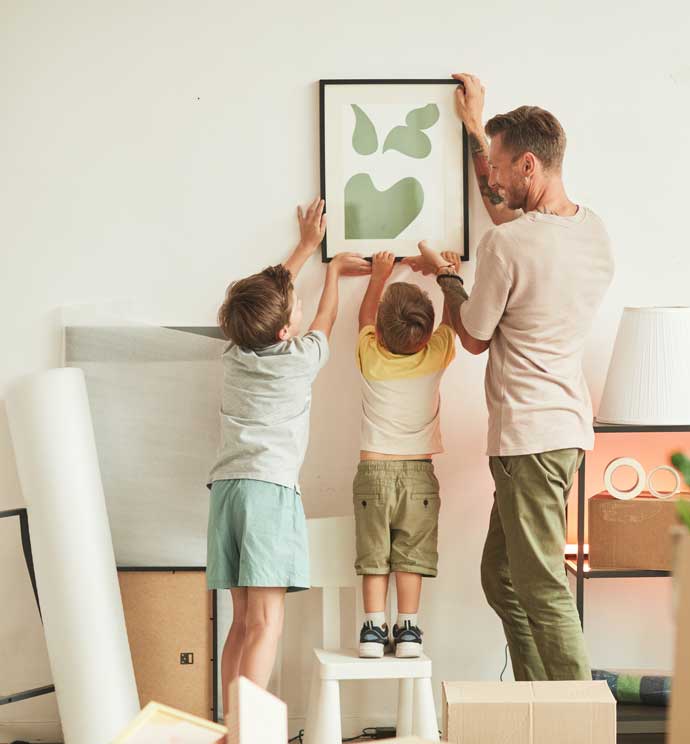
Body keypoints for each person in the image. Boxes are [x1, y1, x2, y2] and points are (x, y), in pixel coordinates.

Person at [407, 73, 615, 681]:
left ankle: (575, 720)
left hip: (528, 439)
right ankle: (535, 701)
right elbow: (507, 219)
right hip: (563, 432)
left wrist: (445, 276)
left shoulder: (508, 248)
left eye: (499, 166)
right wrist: (476, 129)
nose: (491, 179)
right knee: (501, 576)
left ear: (529, 164)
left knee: (542, 586)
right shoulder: (594, 232)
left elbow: (471, 336)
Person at [206, 199, 370, 710]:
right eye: (291, 307)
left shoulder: (233, 354)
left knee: (241, 623)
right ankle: (249, 734)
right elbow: (326, 318)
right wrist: (335, 275)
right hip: (268, 493)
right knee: (267, 624)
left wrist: (304, 248)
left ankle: (231, 727)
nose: (299, 306)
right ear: (284, 332)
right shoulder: (300, 359)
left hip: (227, 494)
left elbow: (272, 297)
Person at [353, 250, 459, 658]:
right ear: (426, 334)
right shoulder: (436, 355)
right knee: (410, 556)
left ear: (379, 334)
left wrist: (378, 275)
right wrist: (449, 276)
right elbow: (452, 322)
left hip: (373, 470)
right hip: (419, 475)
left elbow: (363, 316)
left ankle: (373, 629)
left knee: (374, 554)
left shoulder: (370, 355)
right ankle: (409, 630)